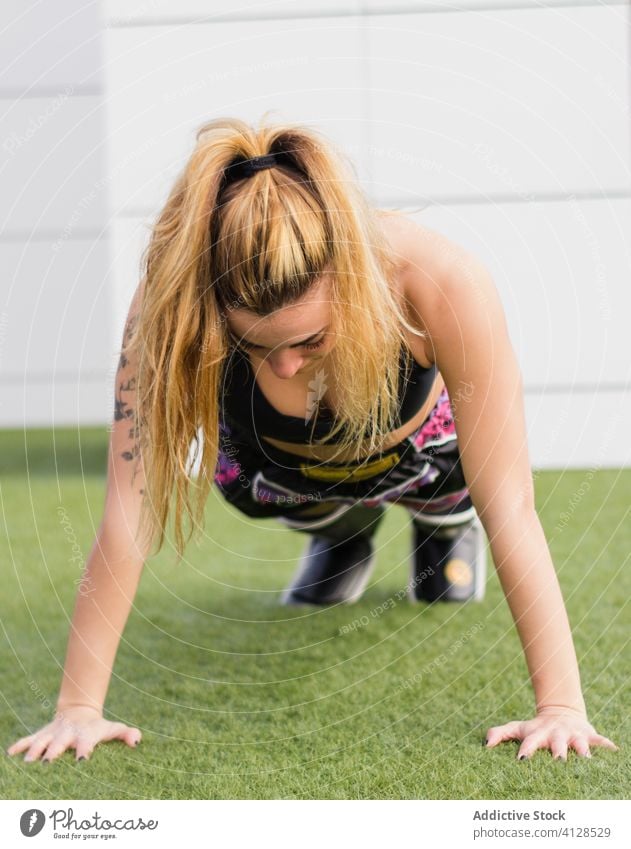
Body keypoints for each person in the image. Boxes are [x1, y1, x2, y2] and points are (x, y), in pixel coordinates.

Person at [7, 116, 617, 765]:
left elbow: (512, 503)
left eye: (308, 340)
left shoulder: (437, 280)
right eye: (253, 344)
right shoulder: (170, 303)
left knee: (459, 495)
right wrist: (77, 708)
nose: (285, 366)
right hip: (285, 470)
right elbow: (129, 511)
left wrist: (559, 708)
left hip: (423, 461)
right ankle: (343, 533)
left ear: (352, 276)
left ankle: (441, 525)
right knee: (240, 480)